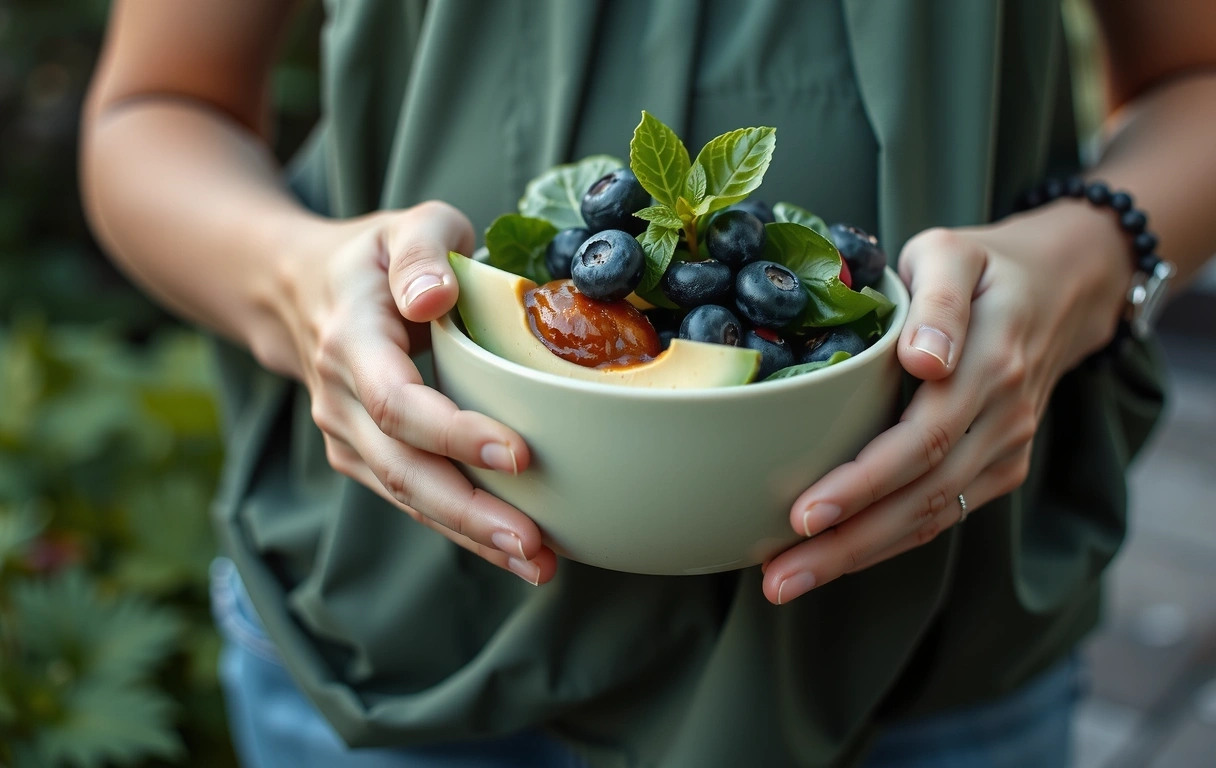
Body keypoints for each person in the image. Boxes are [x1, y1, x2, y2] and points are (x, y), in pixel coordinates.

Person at [81, 1, 1216, 766]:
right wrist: (301, 287)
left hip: (917, 665)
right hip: (402, 653)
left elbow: (1192, 78)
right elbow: (155, 111)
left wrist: (1082, 266)